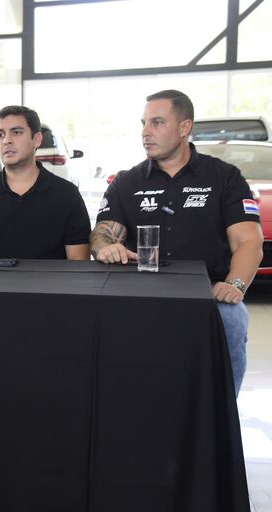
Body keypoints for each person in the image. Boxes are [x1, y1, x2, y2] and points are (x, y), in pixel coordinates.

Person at [90, 89, 263, 396]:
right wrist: (105, 246)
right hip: (140, 293)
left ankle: (222, 423)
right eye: (143, 123)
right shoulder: (126, 182)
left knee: (232, 319)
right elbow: (103, 232)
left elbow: (249, 241)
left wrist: (234, 284)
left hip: (207, 295)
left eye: (157, 122)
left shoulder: (225, 177)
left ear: (185, 127)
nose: (145, 132)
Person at [0, 105, 90, 259]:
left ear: (36, 139)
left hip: (49, 283)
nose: (7, 141)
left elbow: (78, 263)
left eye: (16, 132)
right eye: (0, 134)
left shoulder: (67, 195)